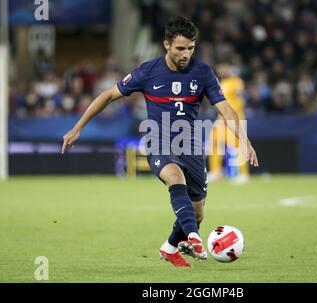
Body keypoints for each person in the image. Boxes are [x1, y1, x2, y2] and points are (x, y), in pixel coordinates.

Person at [61, 16, 258, 268]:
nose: (186, 53)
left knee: (197, 214)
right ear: (166, 44)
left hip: (191, 146)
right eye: (180, 48)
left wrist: (243, 140)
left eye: (190, 48)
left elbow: (226, 109)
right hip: (158, 140)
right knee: (175, 178)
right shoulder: (148, 71)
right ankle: (194, 239)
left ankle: (169, 248)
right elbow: (109, 94)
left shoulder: (203, 72)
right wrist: (78, 127)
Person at [208, 61, 250, 183]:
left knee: (237, 145)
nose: (221, 70)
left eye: (223, 67)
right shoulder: (220, 82)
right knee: (215, 143)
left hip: (234, 118)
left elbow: (241, 98)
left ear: (228, 68)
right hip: (221, 119)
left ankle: (243, 174)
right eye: (220, 67)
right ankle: (216, 172)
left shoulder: (236, 81)